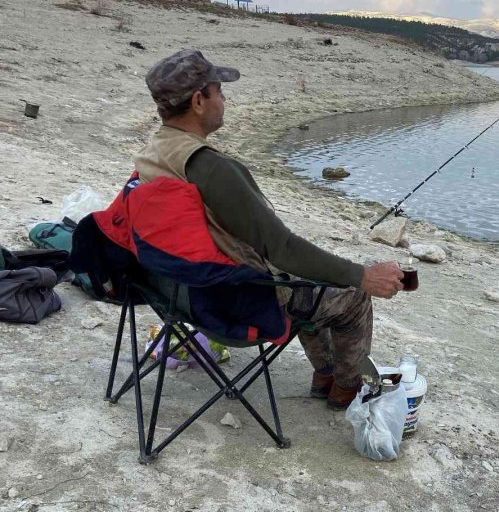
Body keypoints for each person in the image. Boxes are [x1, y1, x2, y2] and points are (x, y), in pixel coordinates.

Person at [138, 48, 404, 410]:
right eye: (219, 91)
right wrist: (363, 276)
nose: (225, 100)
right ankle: (346, 387)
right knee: (351, 295)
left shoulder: (152, 154)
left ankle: (325, 374)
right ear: (199, 101)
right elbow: (282, 248)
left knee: (310, 280)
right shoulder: (208, 168)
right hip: (236, 305)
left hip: (179, 297)